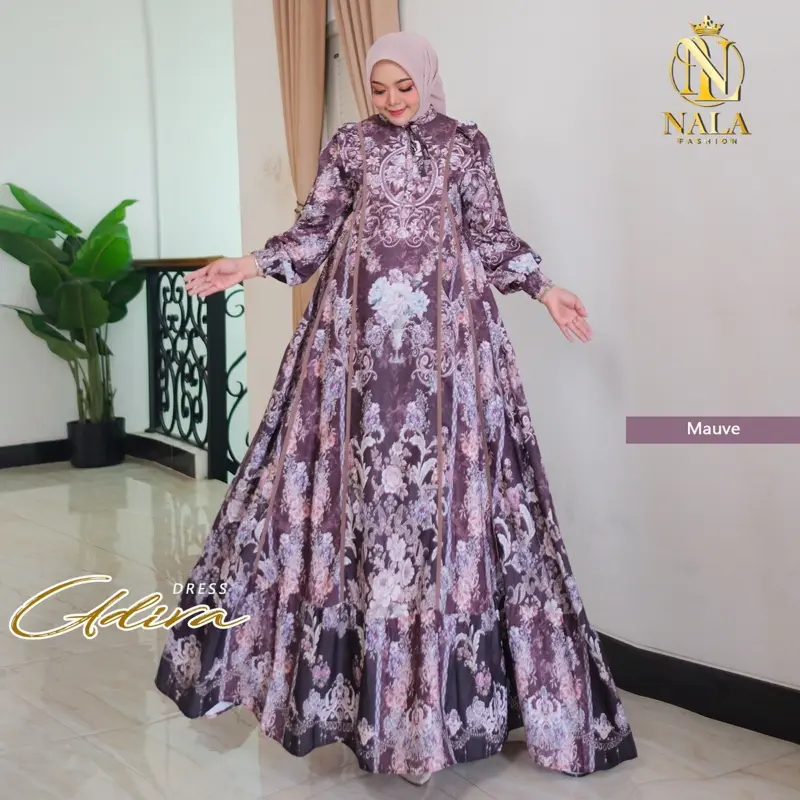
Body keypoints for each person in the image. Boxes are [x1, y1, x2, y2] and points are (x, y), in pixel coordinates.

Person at [155, 31, 637, 788]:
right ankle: (356, 701)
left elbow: (493, 238)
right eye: (379, 89)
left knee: (452, 509)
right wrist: (245, 265)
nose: (391, 101)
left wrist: (546, 290)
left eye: (403, 87)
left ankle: (444, 705)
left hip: (449, 367)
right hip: (355, 367)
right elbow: (313, 234)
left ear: (426, 80)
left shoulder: (464, 146)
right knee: (355, 509)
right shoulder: (350, 146)